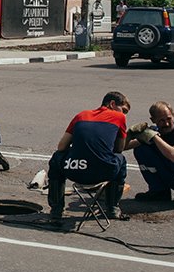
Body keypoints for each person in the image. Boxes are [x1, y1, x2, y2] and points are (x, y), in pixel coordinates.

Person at [47, 91, 131, 221]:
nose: (124, 114)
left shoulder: (81, 115)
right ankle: (112, 208)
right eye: (123, 110)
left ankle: (56, 211)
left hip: (75, 172)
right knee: (121, 160)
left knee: (56, 158)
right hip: (103, 172)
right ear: (113, 104)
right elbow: (119, 149)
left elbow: (61, 147)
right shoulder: (119, 117)